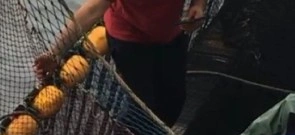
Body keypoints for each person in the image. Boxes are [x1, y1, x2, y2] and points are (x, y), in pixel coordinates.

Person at [34, 0, 207, 127]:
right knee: (143, 107)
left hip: (170, 33)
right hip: (130, 39)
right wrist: (55, 53)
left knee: (175, 100)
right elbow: (92, 10)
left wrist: (198, 5)